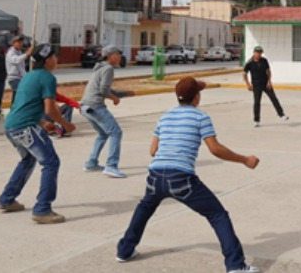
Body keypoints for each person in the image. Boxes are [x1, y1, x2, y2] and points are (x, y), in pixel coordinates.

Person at [115, 77, 261, 273]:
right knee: (217, 215)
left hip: (155, 175)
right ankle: (236, 265)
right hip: (181, 178)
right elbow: (215, 149)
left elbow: (152, 151)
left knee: (145, 207)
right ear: (196, 97)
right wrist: (244, 159)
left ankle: (124, 251)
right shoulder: (200, 117)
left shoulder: (164, 116)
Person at [0, 43, 76, 224]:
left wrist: (44, 123)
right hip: (25, 127)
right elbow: (50, 108)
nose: (57, 60)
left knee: (28, 160)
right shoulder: (47, 77)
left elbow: (25, 105)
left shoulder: (29, 75)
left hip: (11, 125)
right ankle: (42, 209)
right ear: (48, 60)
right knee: (51, 162)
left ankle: (7, 199)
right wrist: (65, 124)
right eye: (55, 56)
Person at [80, 45, 135, 178]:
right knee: (116, 132)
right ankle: (111, 166)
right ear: (108, 56)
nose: (119, 56)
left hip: (85, 106)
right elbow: (103, 91)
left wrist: (123, 94)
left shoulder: (99, 67)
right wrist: (114, 98)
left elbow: (104, 89)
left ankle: (91, 163)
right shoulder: (108, 69)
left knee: (103, 133)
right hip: (95, 106)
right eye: (116, 54)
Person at [242, 45, 287, 127]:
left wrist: (269, 81)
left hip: (266, 83)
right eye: (258, 53)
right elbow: (244, 74)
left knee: (274, 98)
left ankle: (281, 114)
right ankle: (256, 120)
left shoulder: (264, 60)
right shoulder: (249, 63)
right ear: (254, 53)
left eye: (260, 53)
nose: (259, 54)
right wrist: (248, 84)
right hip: (256, 85)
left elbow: (268, 71)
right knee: (257, 102)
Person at [6, 35, 33, 103]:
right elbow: (16, 60)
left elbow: (22, 66)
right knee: (22, 94)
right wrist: (26, 54)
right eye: (19, 42)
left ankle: (13, 110)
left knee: (16, 98)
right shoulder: (10, 53)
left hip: (21, 78)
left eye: (21, 42)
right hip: (14, 79)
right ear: (13, 43)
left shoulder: (19, 52)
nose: (21, 44)